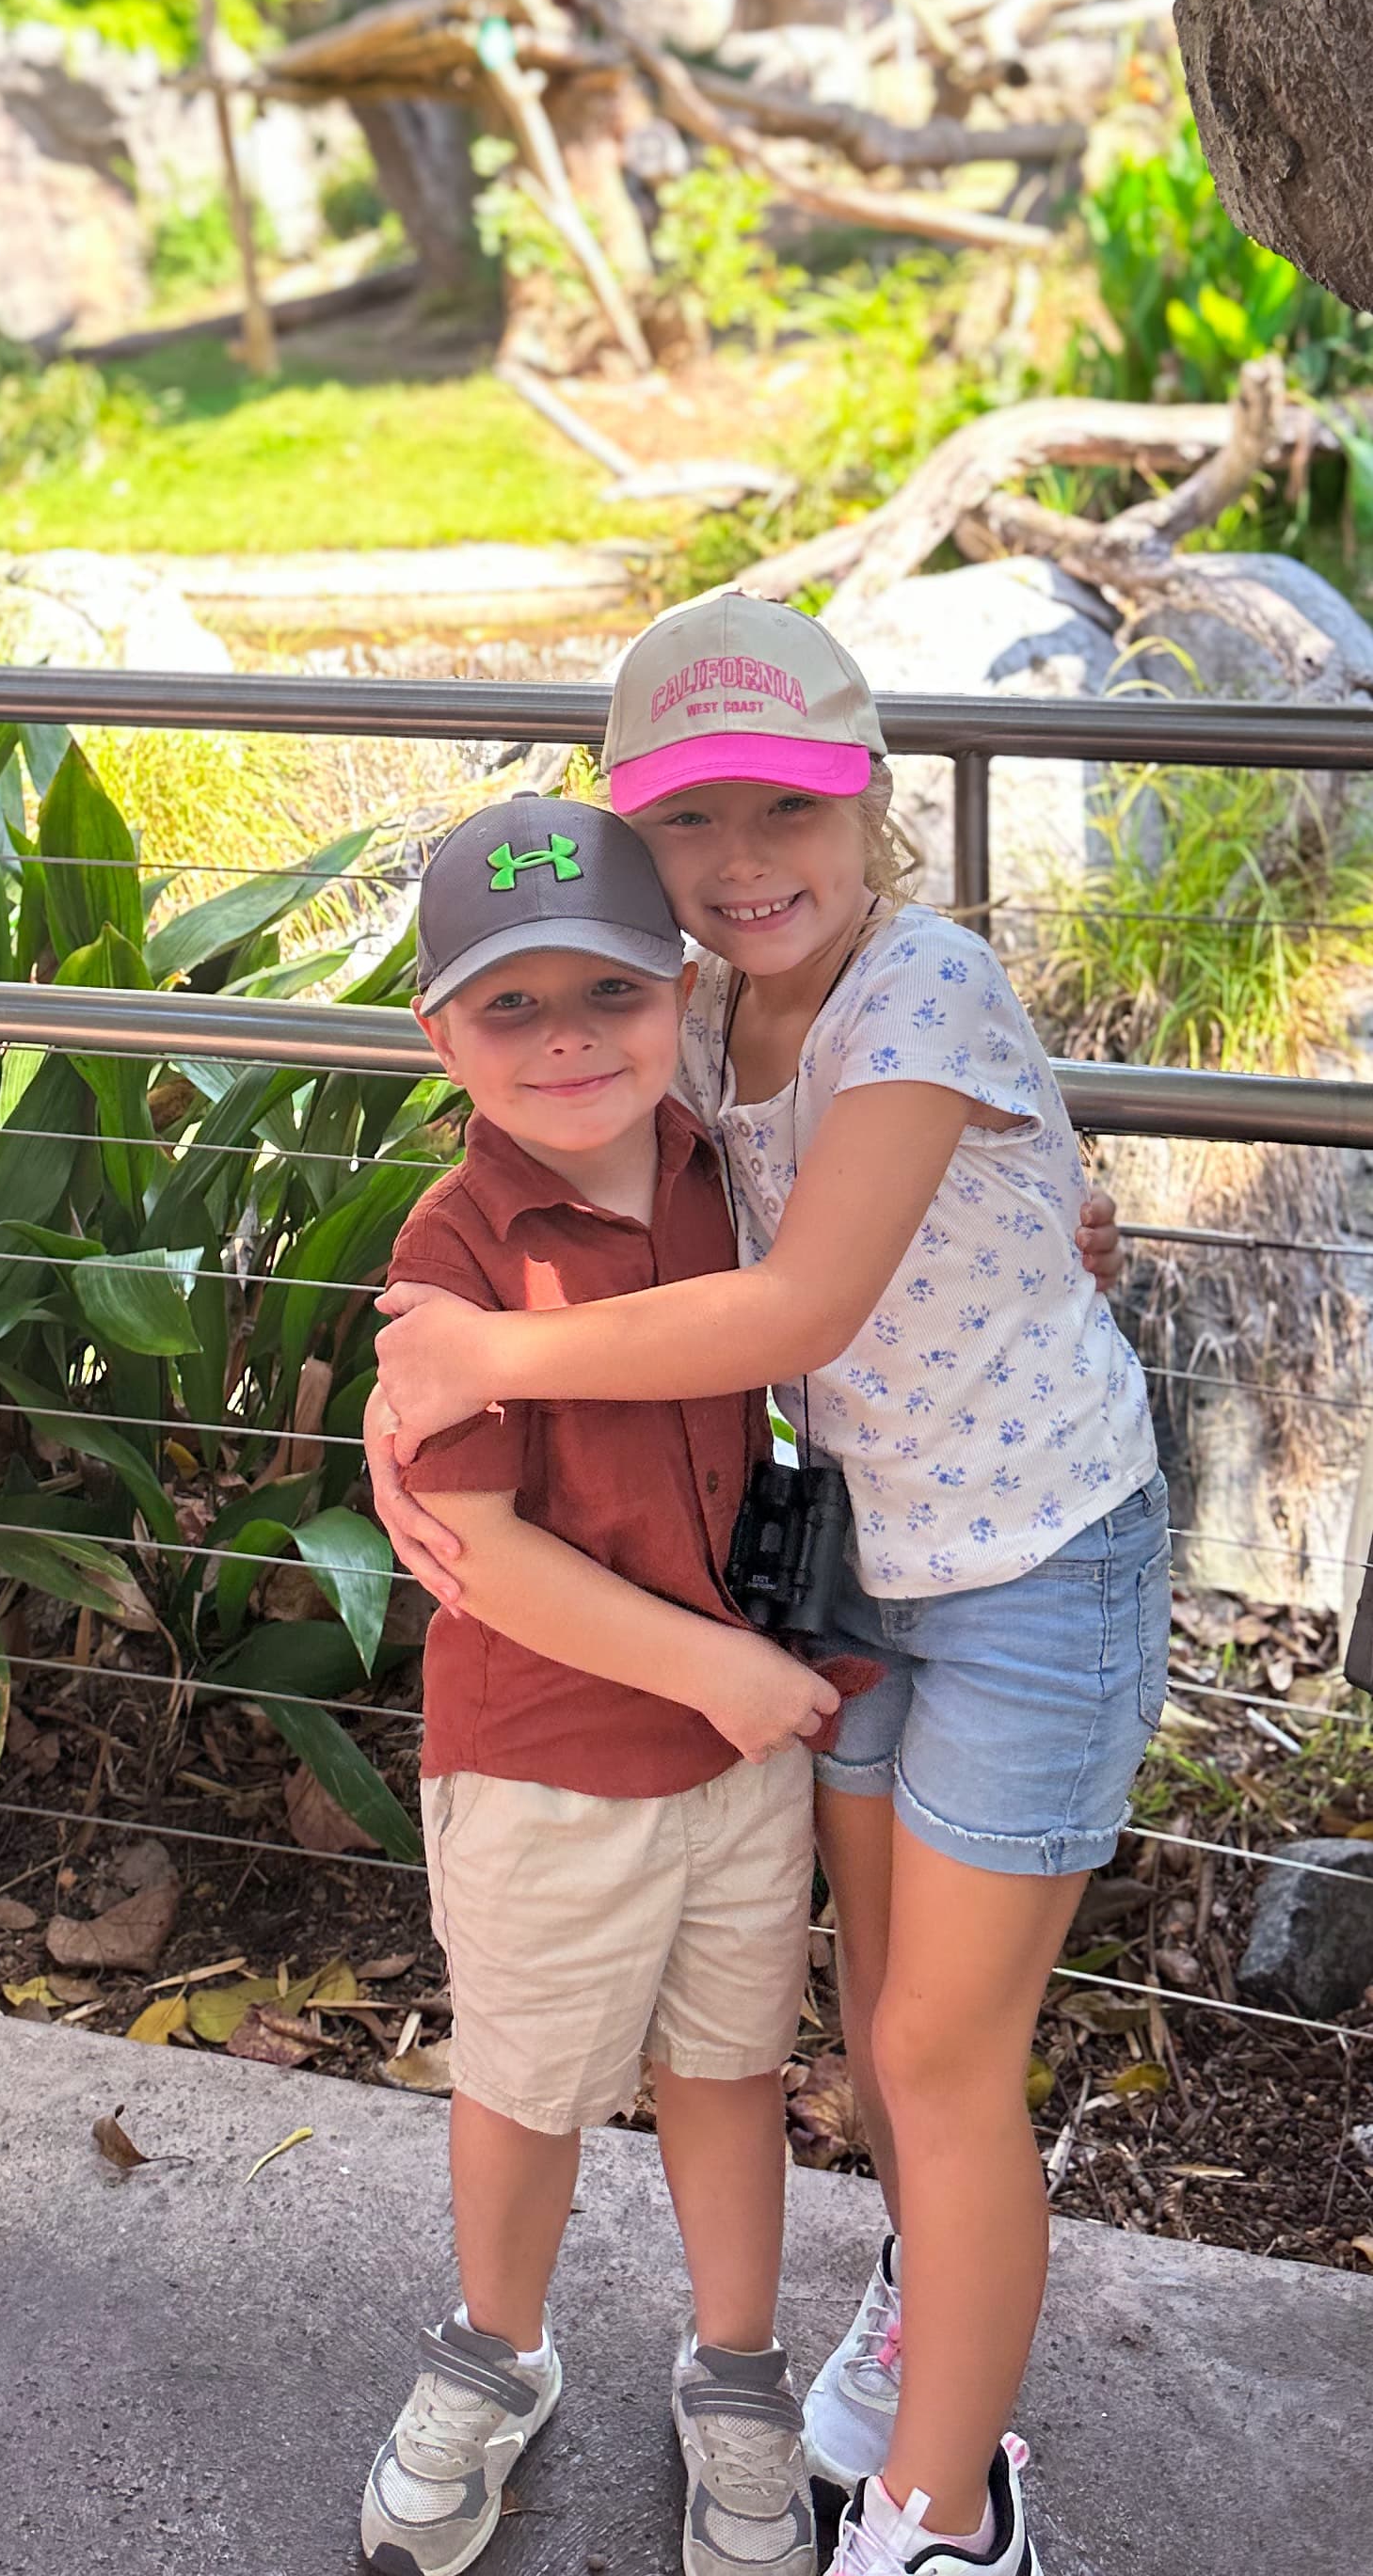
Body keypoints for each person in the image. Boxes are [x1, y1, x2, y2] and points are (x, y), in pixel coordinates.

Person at [371, 596, 1163, 2576]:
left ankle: (944, 2510)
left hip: (1035, 1566)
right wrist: (417, 1410)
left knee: (934, 2052)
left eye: (784, 812)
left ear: (865, 800)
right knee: (887, 2013)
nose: (743, 866)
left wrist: (482, 1360)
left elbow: (800, 1297)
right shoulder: (694, 1020)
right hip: (867, 1563)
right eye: (695, 827)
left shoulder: (923, 987)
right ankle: (922, 2320)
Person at [359, 785, 857, 2576]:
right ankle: (494, 2354)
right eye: (514, 1006)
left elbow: (883, 1270)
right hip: (556, 1753)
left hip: (741, 1746)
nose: (569, 1041)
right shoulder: (460, 1252)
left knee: (730, 2070)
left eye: (612, 997)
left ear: (682, 996)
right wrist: (714, 1671)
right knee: (530, 2082)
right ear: (442, 1035)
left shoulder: (739, 1173)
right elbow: (477, 1542)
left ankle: (736, 2371)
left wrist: (1073, 1237)